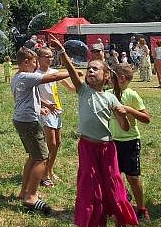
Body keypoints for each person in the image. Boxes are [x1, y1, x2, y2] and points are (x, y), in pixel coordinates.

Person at [58, 37, 139, 227]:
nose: (90, 71)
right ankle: (92, 221)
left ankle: (122, 218)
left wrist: (123, 115)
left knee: (113, 186)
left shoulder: (110, 98)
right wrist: (62, 53)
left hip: (107, 149)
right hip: (87, 147)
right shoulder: (83, 91)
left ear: (106, 76)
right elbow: (71, 71)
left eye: (95, 68)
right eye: (88, 69)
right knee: (90, 187)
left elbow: (125, 127)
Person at [11, 44, 71, 214]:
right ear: (25, 62)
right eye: (33, 62)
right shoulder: (27, 76)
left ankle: (23, 191)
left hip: (20, 119)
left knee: (32, 156)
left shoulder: (17, 76)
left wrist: (41, 106)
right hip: (29, 122)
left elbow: (27, 98)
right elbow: (52, 78)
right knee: (42, 158)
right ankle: (31, 196)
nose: (36, 65)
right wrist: (73, 72)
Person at [107, 63, 152, 221]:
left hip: (130, 141)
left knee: (133, 177)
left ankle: (141, 207)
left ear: (121, 78)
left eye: (111, 74)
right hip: (112, 142)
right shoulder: (107, 93)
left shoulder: (132, 95)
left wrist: (129, 110)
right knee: (114, 176)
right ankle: (121, 197)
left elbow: (146, 118)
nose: (108, 77)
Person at [35, 47, 75, 187]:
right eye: (46, 56)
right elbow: (34, 95)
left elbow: (70, 87)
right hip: (45, 111)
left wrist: (84, 87)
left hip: (57, 110)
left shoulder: (54, 72)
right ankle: (43, 175)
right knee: (51, 143)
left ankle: (49, 169)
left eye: (51, 56)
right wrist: (46, 105)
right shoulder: (36, 74)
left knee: (57, 143)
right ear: (38, 58)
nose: (50, 59)